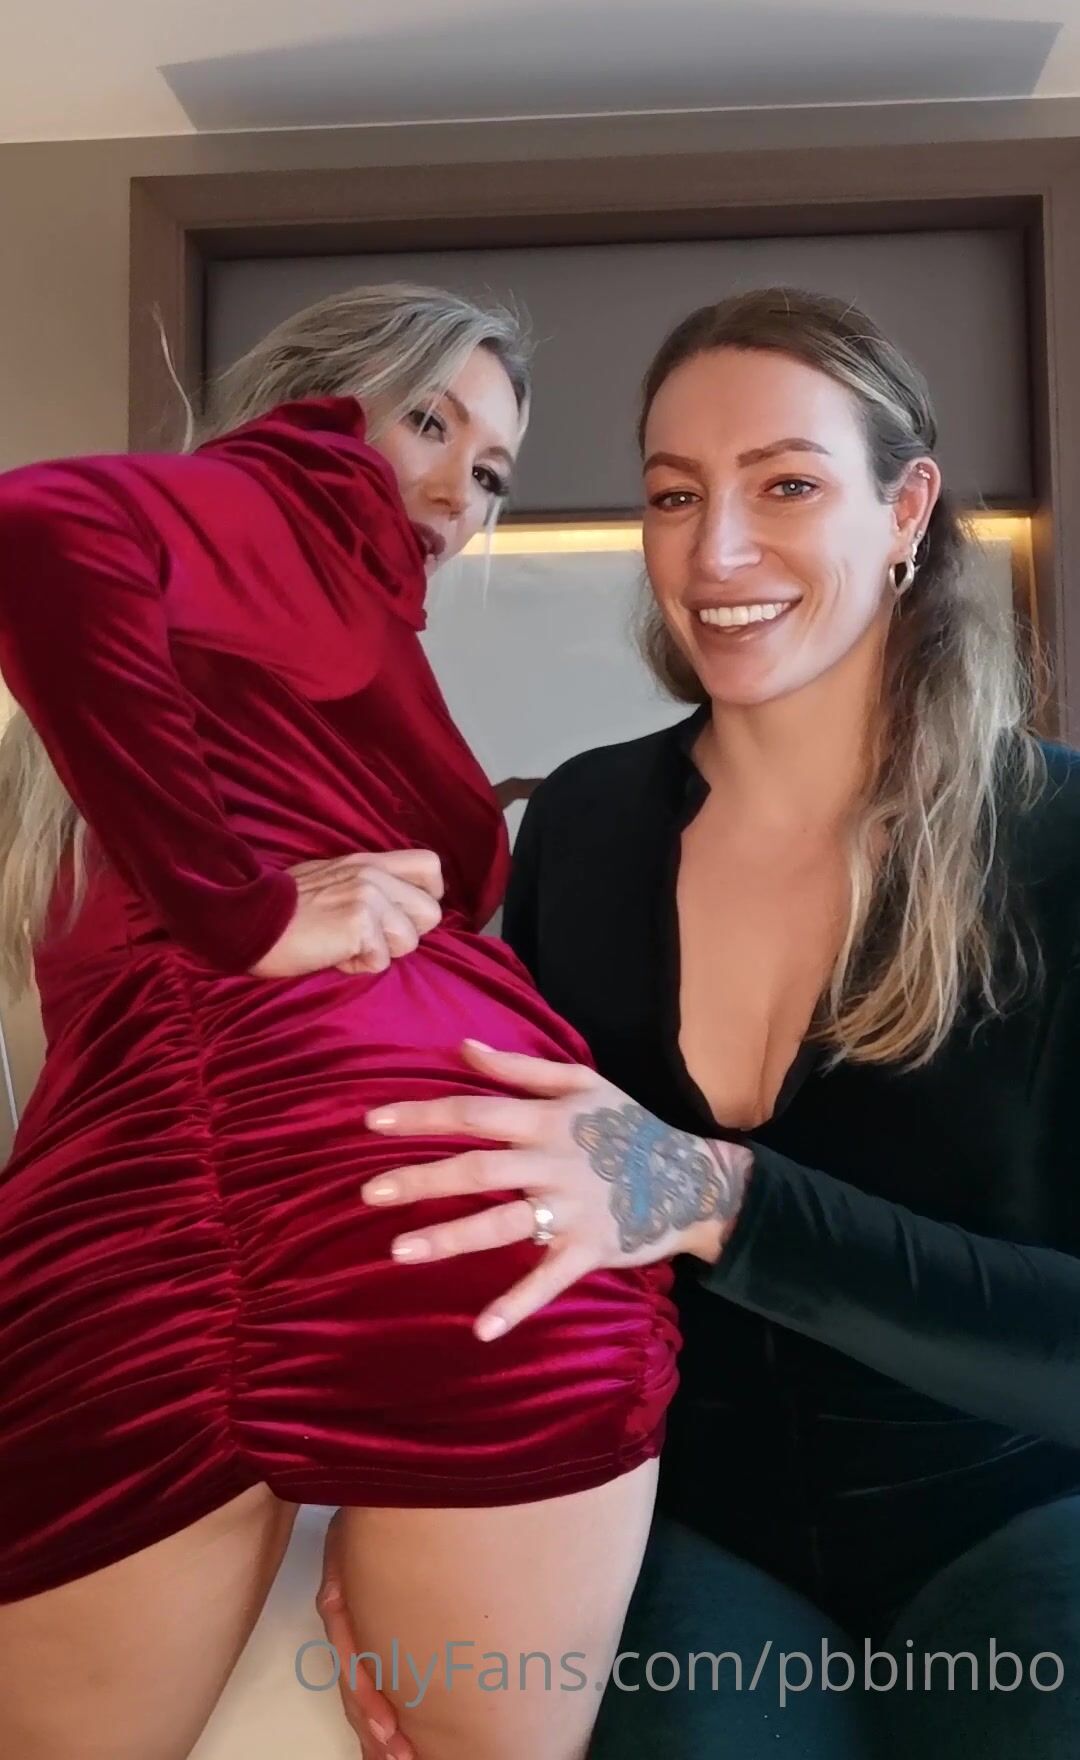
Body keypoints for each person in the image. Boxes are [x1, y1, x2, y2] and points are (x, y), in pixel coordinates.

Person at [320, 287, 1080, 1758]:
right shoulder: (585, 824)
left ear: (905, 508)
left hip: (1016, 1519)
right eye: (675, 495)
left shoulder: (1059, 843)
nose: (715, 551)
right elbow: (491, 1205)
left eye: (785, 485)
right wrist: (402, 1526)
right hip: (688, 1522)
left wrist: (713, 1193)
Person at [0, 283, 686, 1760]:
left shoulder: (294, 666)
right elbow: (37, 522)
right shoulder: (288, 497)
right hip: (311, 1242)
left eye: (492, 472)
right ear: (317, 406)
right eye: (427, 420)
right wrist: (242, 913)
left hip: (435, 1240)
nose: (455, 492)